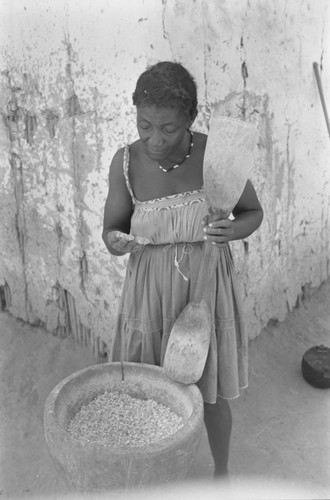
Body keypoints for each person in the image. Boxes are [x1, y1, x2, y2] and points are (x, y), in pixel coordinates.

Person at [102, 61, 263, 478]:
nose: (155, 139)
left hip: (206, 289)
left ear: (190, 118)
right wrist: (115, 242)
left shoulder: (216, 155)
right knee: (146, 389)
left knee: (208, 392)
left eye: (168, 129)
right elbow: (112, 229)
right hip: (149, 291)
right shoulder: (125, 163)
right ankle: (151, 474)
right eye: (144, 126)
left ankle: (221, 474)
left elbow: (252, 213)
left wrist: (233, 229)